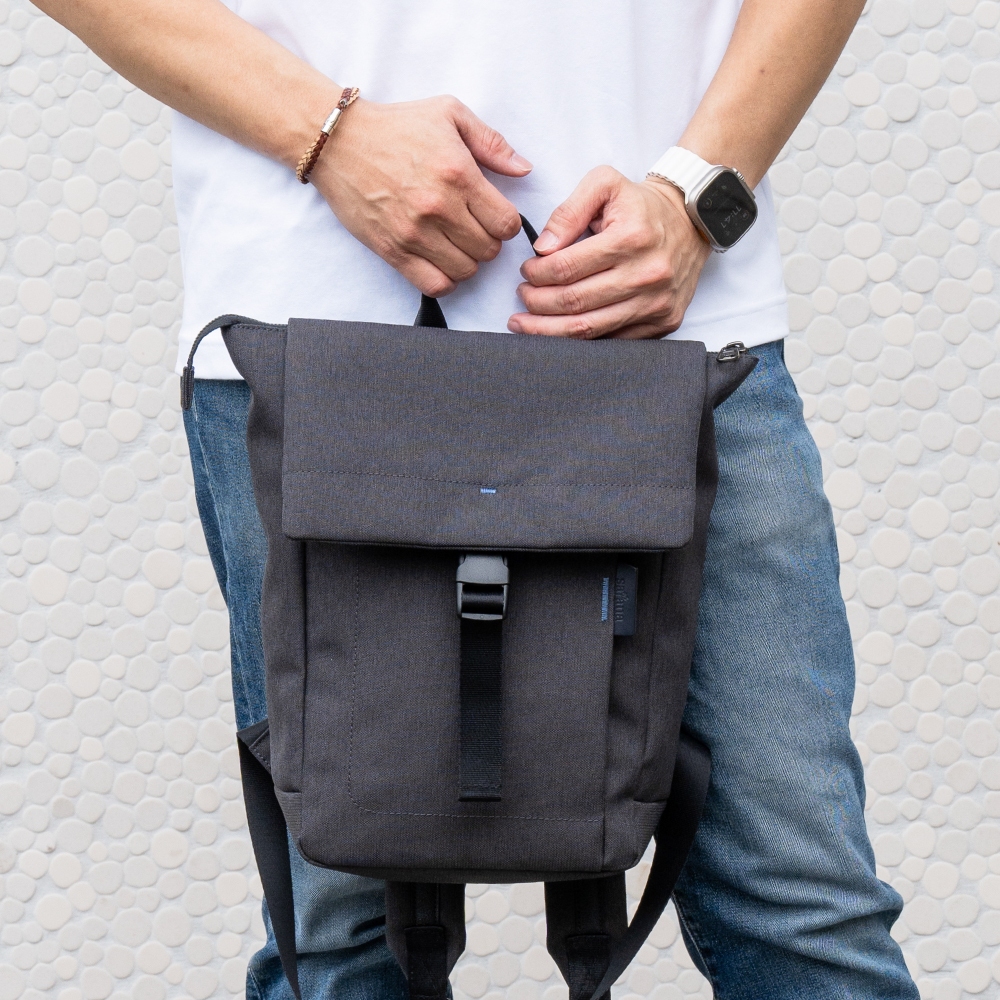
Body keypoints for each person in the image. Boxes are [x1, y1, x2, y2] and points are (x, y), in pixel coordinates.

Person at [35, 1, 920, 998]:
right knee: (342, 943)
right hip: (308, 342)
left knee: (805, 908)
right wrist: (326, 133)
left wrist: (697, 195)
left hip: (678, 333)